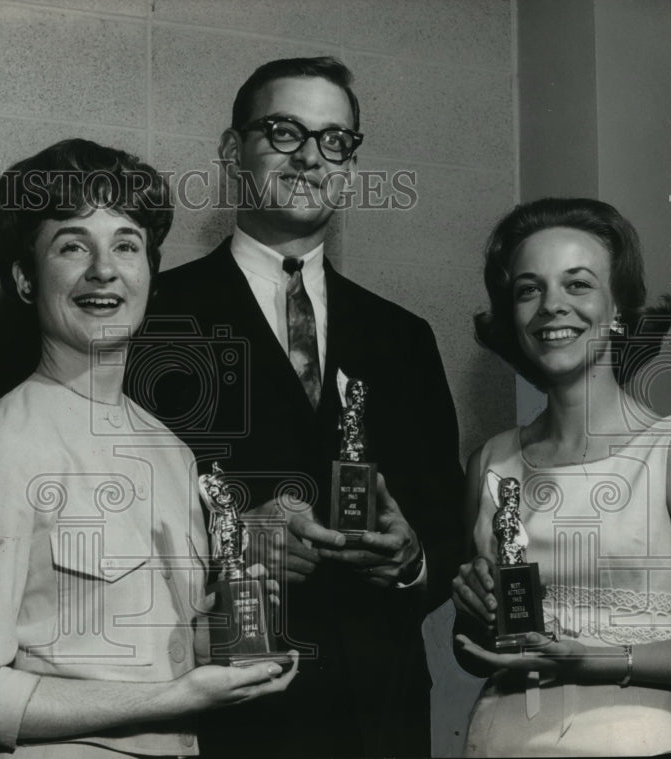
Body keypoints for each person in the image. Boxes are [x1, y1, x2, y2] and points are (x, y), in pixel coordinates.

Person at [132, 56, 465, 757]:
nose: (311, 157)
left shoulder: (403, 336)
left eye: (335, 140)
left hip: (383, 714)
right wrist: (232, 546)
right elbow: (117, 512)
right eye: (284, 132)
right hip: (229, 711)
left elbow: (444, 518)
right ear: (232, 152)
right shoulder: (152, 316)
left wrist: (412, 559)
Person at [0, 139, 297, 758]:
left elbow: (159, 657)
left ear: (150, 277)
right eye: (72, 246)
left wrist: (231, 645)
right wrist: (181, 697)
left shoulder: (172, 451)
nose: (105, 269)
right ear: (24, 278)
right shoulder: (2, 447)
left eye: (126, 245)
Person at [452, 197, 671, 756]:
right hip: (499, 740)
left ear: (618, 307)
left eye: (577, 285)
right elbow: (473, 645)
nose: (552, 306)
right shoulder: (489, 462)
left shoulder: (665, 451)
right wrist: (477, 612)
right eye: (529, 289)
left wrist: (602, 660)